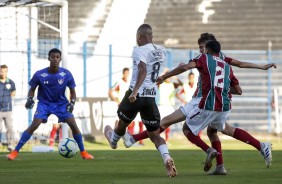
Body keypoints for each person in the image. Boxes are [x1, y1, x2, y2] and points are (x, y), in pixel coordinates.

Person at [122, 33, 276, 174]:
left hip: (201, 101)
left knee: (169, 122)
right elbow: (239, 79)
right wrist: (261, 67)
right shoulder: (224, 61)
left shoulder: (204, 58)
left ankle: (133, 139)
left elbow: (186, 67)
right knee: (216, 131)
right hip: (220, 103)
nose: (201, 50)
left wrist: (165, 76)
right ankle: (225, 164)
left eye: (202, 47)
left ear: (208, 47)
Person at [104, 24, 177, 177]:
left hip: (136, 94)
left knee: (122, 123)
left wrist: (135, 91)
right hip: (150, 97)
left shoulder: (139, 50)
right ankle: (167, 157)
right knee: (155, 135)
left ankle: (113, 140)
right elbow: (152, 70)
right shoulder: (161, 50)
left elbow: (143, 69)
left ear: (139, 37)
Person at [7, 48, 94, 160]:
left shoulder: (66, 74)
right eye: (53, 57)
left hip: (61, 104)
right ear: (49, 58)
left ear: (60, 59)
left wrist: (72, 103)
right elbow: (32, 89)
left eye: (57, 57)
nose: (55, 59)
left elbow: (73, 92)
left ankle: (83, 152)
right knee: (35, 124)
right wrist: (30, 98)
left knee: (73, 125)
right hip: (44, 104)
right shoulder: (39, 74)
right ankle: (15, 152)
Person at [108, 67, 144, 144]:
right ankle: (115, 138)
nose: (127, 75)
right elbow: (110, 91)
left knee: (133, 121)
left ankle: (131, 140)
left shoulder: (130, 82)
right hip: (121, 104)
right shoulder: (119, 82)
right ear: (123, 73)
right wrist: (117, 100)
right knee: (120, 122)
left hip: (131, 104)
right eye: (126, 73)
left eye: (128, 73)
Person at [0, 64, 16, 152]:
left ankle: (10, 144)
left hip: (8, 110)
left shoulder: (11, 82)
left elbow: (13, 93)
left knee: (9, 127)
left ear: (7, 72)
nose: (3, 73)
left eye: (5, 71)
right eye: (1, 71)